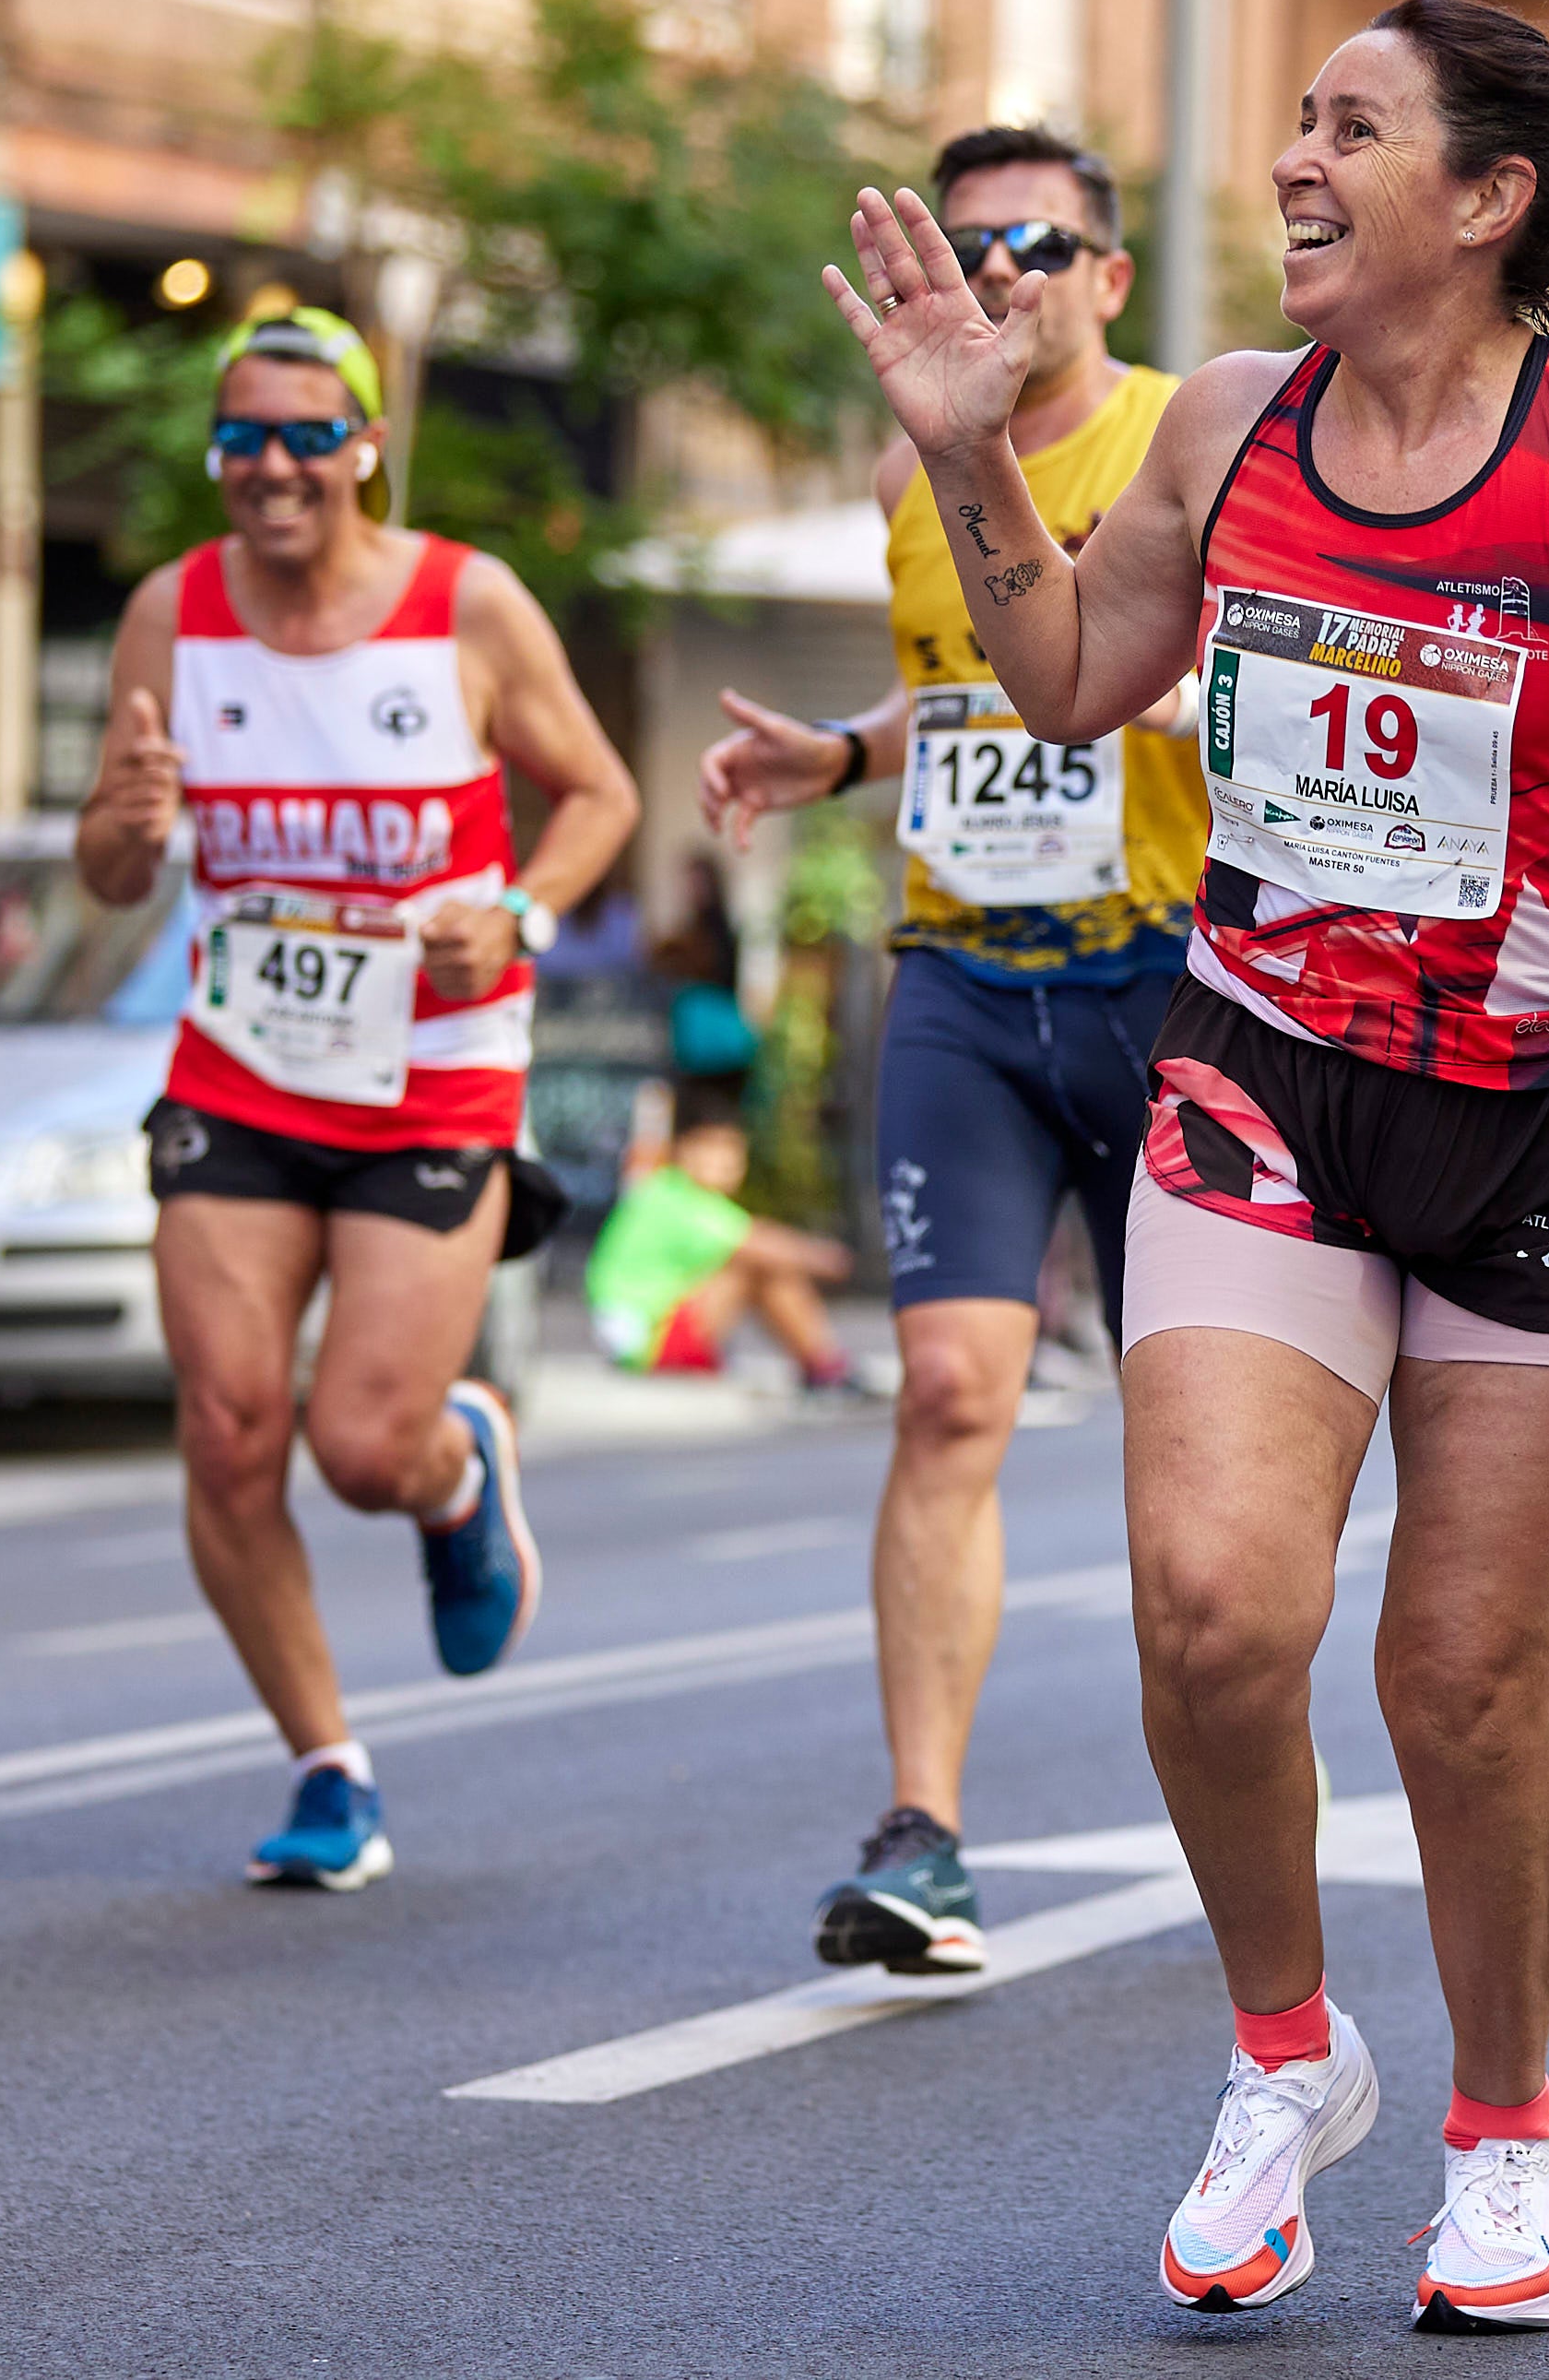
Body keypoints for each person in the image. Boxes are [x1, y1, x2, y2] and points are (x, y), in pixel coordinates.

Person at [825, 0, 1549, 2328]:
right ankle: (1285, 2056)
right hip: (1268, 1073)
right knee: (1211, 1610)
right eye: (1295, 122)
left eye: (1349, 130)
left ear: (1487, 200)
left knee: (1458, 1679)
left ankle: (1505, 2130)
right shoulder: (1227, 422)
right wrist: (971, 459)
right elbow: (1068, 678)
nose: (1293, 161)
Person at [701, 124, 1203, 1978]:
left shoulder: (1184, 440)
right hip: (966, 983)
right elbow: (970, 677)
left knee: (1195, 1439)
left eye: (1041, 244)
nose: (1003, 271)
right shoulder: (913, 466)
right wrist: (842, 753)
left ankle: (1242, 1791)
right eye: (973, 239)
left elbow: (1169, 661)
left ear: (1110, 277)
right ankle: (923, 1836)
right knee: (943, 1394)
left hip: (1165, 982)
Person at [74, 306, 639, 1892]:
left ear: (367, 446)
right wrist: (124, 824)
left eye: (309, 435)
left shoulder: (467, 603)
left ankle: (453, 1464)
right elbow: (111, 867)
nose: (272, 465)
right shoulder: (172, 613)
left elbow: (602, 792)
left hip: (434, 1074)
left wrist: (517, 913)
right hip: (242, 1068)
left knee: (360, 1446)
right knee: (228, 1429)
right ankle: (327, 1763)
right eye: (242, 435)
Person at [585, 1080, 866, 1393]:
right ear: (683, 1150)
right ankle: (825, 1367)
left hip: (644, 1339)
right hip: (649, 1345)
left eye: (733, 1151)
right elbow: (757, 1242)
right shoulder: (677, 1200)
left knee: (758, 1259)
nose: (724, 1161)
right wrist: (833, 1260)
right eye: (712, 1148)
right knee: (758, 1264)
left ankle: (824, 1365)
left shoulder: (669, 1191)